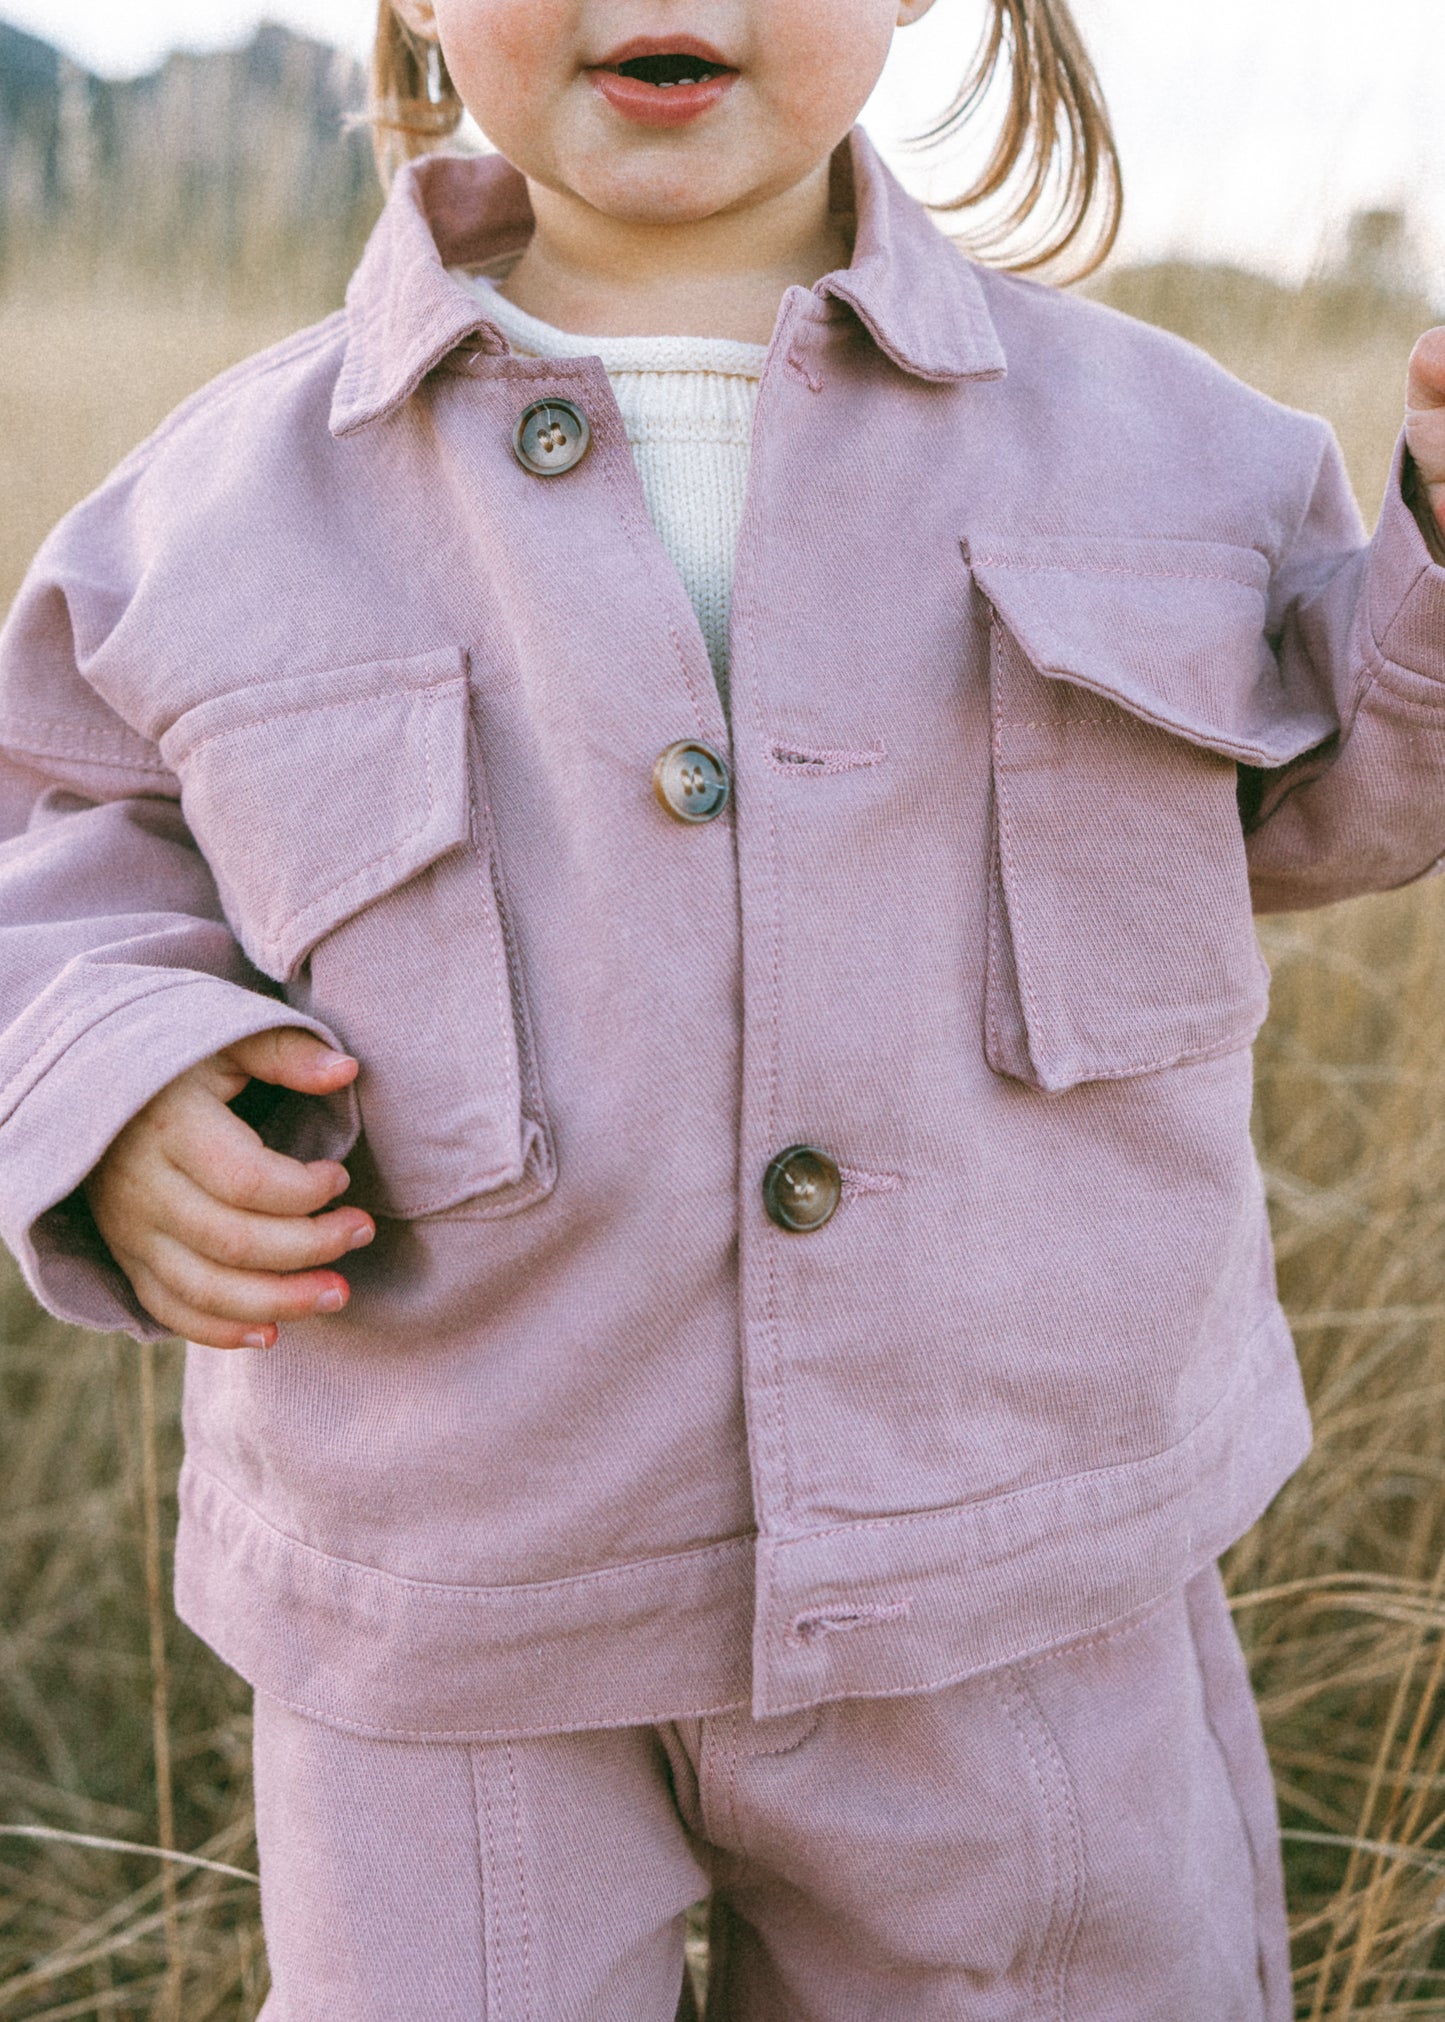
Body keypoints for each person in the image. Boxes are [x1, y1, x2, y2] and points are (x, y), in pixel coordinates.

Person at [2, 0, 1444, 2012]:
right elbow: (51, 853)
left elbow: (1341, 792)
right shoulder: (215, 512)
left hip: (1017, 1575)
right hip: (458, 1604)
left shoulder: (1174, 449)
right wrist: (126, 1082)